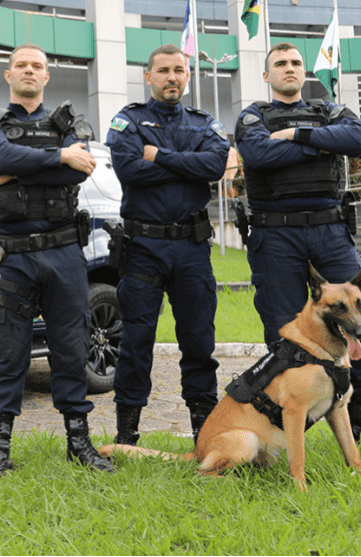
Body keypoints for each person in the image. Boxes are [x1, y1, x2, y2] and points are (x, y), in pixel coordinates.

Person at [234, 41, 361, 456]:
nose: (290, 68)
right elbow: (256, 153)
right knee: (283, 337)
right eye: (280, 63)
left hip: (330, 232)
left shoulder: (330, 110)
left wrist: (295, 134)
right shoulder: (253, 116)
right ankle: (285, 432)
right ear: (266, 75)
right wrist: (321, 144)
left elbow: (356, 137)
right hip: (276, 237)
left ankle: (360, 425)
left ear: (305, 72)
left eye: (296, 63)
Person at [0, 43, 113, 479]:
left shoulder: (70, 123)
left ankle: (79, 443)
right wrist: (57, 156)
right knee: (9, 355)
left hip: (64, 252)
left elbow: (80, 169)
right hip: (12, 256)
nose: (30, 71)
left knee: (70, 350)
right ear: (8, 75)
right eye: (21, 65)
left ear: (47, 77)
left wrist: (19, 169)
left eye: (38, 66)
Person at [105, 43, 229, 445]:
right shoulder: (128, 120)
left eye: (179, 70)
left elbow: (214, 167)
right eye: (163, 71)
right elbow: (129, 171)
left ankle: (204, 432)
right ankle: (127, 436)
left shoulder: (203, 121)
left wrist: (157, 155)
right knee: (136, 343)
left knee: (198, 341)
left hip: (192, 251)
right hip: (144, 248)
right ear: (148, 76)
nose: (172, 77)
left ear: (188, 75)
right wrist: (184, 165)